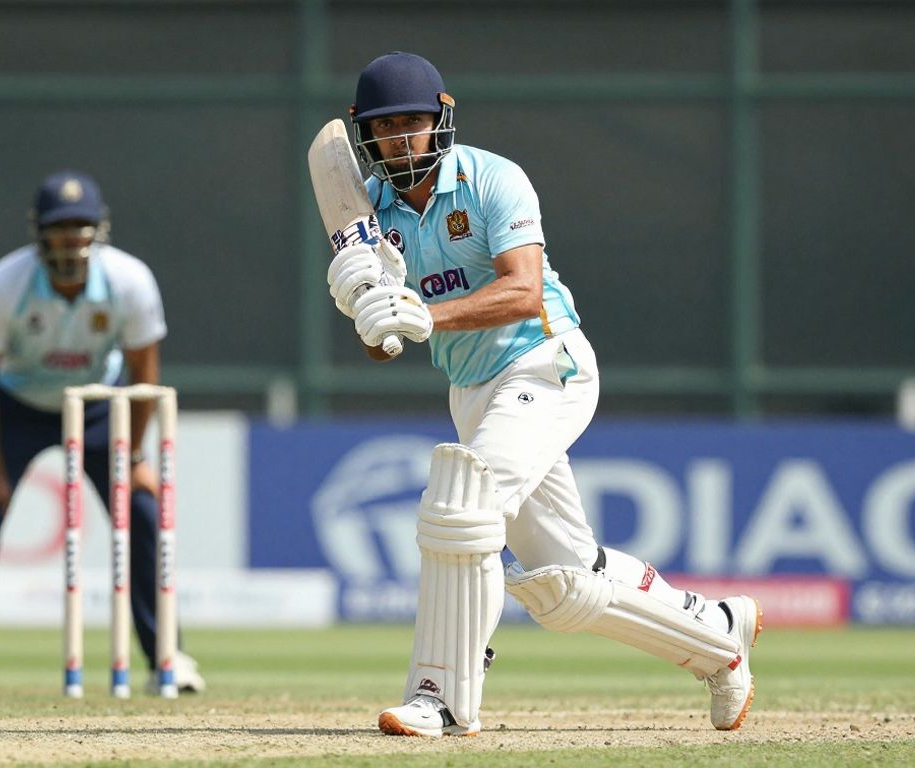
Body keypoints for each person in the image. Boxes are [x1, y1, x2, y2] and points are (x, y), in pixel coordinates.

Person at [325, 52, 762, 737]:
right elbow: (383, 342)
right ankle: (719, 636)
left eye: (414, 122)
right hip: (471, 388)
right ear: (365, 134)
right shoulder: (376, 213)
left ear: (441, 118)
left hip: (544, 367)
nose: (402, 138)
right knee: (564, 585)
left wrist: (425, 315)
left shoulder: (493, 180)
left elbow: (524, 291)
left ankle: (440, 694)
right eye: (387, 127)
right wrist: (366, 301)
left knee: (461, 509)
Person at [0, 170, 204, 695]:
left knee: (140, 511)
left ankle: (168, 656)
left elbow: (145, 371)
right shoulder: (5, 283)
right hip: (16, 404)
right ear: (39, 232)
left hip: (100, 403)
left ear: (99, 230)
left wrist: (135, 455)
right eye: (59, 228)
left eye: (80, 227)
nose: (70, 239)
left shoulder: (129, 280)